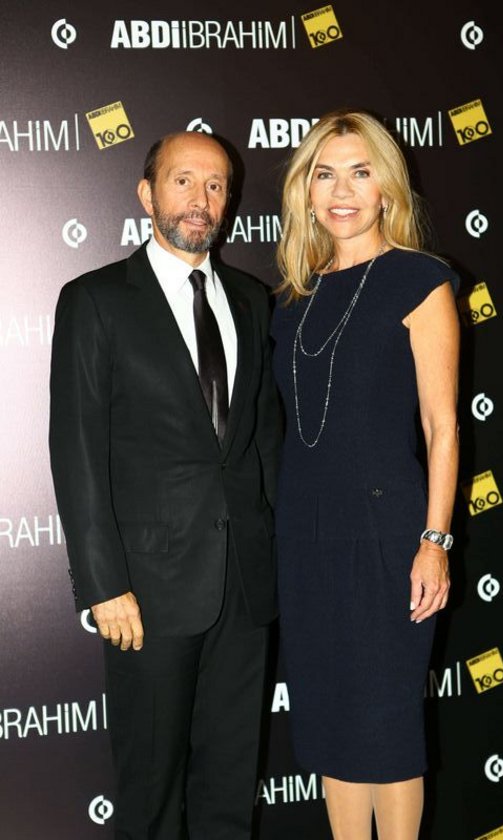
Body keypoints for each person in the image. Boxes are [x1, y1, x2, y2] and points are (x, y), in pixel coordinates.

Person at [49, 130, 282, 840]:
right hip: (146, 595)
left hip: (244, 589)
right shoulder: (95, 300)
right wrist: (102, 586)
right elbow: (76, 451)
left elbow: (263, 444)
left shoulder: (252, 299)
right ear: (147, 195)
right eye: (183, 181)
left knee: (228, 792)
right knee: (150, 798)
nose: (200, 199)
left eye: (215, 185)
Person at [271, 109, 460, 840]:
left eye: (360, 172)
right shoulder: (292, 298)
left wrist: (434, 541)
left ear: (387, 187)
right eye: (325, 174)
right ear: (306, 190)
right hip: (305, 535)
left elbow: (442, 427)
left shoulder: (420, 279)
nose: (342, 191)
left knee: (384, 723)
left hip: (387, 534)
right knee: (329, 720)